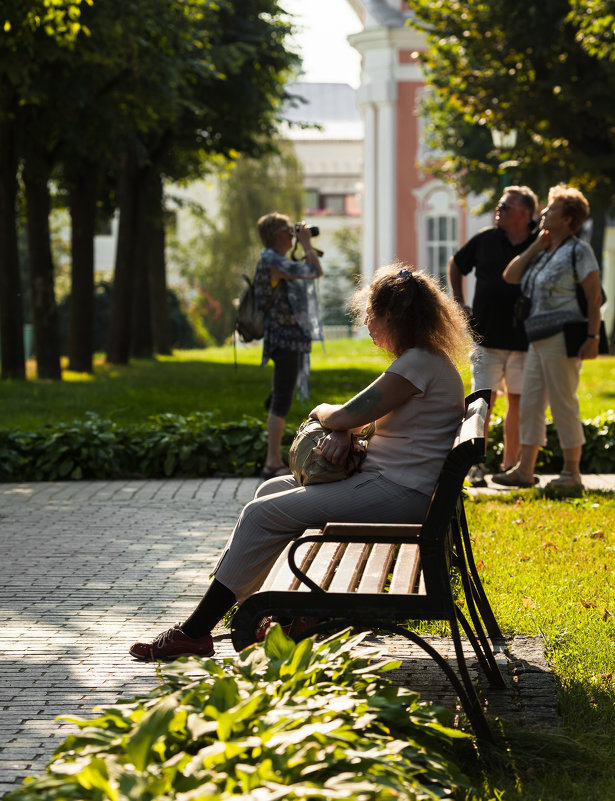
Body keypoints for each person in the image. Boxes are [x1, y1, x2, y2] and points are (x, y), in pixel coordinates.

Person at [130, 265, 472, 661]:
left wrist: (332, 419)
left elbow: (339, 413)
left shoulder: (416, 365)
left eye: (370, 315)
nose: (366, 323)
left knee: (262, 514)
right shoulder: (424, 361)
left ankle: (195, 631)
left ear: (391, 316)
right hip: (400, 489)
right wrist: (343, 428)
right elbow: (354, 419)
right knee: (270, 491)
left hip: (400, 495)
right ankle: (283, 615)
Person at [492, 184, 603, 491]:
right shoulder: (542, 252)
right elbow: (510, 276)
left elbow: (594, 298)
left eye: (551, 209)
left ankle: (571, 473)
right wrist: (534, 248)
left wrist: (593, 336)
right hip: (536, 339)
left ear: (568, 219)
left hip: (562, 338)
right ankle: (524, 471)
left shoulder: (579, 250)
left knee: (563, 402)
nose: (543, 212)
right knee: (530, 404)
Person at [448, 186, 538, 486]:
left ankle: (509, 465)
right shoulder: (486, 239)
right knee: (481, 402)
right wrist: (459, 301)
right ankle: (474, 466)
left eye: (506, 206)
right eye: (499, 204)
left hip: (524, 340)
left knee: (518, 402)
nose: (498, 209)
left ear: (524, 214)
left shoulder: (540, 242)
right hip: (485, 335)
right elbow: (456, 264)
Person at [254, 212, 324, 480]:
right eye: (288, 229)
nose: (292, 233)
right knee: (282, 395)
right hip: (283, 337)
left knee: (280, 393)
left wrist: (303, 245)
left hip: (289, 336)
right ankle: (272, 461)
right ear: (275, 234)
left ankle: (272, 455)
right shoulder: (272, 259)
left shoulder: (277, 260)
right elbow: (314, 270)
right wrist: (306, 244)